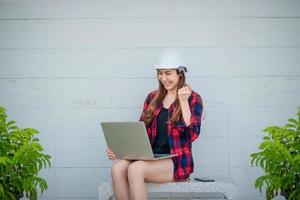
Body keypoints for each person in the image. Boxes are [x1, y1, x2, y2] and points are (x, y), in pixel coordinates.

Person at [105, 48, 203, 200]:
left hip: (176, 162)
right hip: (150, 157)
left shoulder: (193, 99)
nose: (164, 78)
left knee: (135, 169)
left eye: (168, 73)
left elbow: (192, 135)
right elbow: (140, 133)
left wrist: (183, 102)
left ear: (180, 73)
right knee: (117, 169)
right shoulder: (152, 98)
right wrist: (119, 151)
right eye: (160, 73)